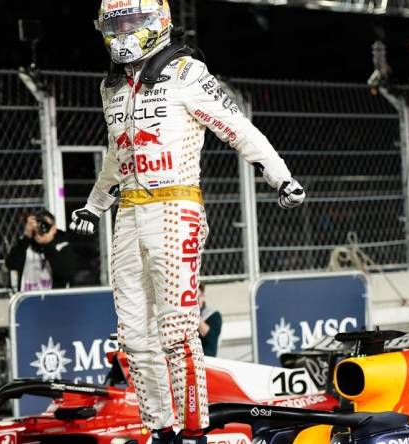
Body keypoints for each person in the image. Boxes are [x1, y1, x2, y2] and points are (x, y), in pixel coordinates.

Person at [69, 2, 306, 443]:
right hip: (128, 215)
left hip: (175, 209)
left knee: (177, 332)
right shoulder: (111, 86)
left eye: (131, 22)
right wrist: (94, 205)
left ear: (156, 21)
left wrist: (280, 176)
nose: (123, 32)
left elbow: (237, 127)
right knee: (134, 338)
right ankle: (163, 431)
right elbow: (117, 157)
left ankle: (195, 431)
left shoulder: (187, 72)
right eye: (115, 24)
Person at [4, 209, 76, 292]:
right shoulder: (25, 245)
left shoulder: (63, 245)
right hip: (28, 300)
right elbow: (10, 264)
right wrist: (26, 236)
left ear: (54, 229)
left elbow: (65, 274)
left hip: (53, 301)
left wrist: (48, 244)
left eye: (45, 225)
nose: (41, 229)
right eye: (38, 226)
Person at [197, 284, 222, 357]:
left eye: (199, 296)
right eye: (194, 297)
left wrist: (194, 312)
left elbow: (211, 338)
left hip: (207, 359)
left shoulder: (213, 315)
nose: (197, 300)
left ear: (203, 297)